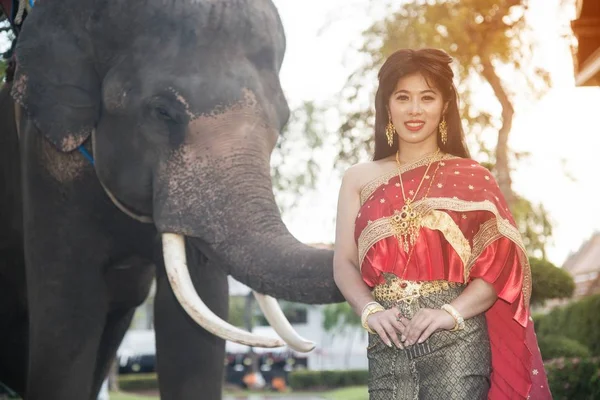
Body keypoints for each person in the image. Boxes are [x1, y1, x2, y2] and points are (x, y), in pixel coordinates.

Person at [333, 48, 552, 399]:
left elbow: (499, 270)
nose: (415, 109)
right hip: (386, 342)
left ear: (445, 105)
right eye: (403, 97)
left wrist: (449, 313)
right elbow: (343, 262)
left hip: (457, 342)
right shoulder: (358, 179)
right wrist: (370, 310)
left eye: (427, 97)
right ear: (387, 106)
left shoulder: (473, 178)